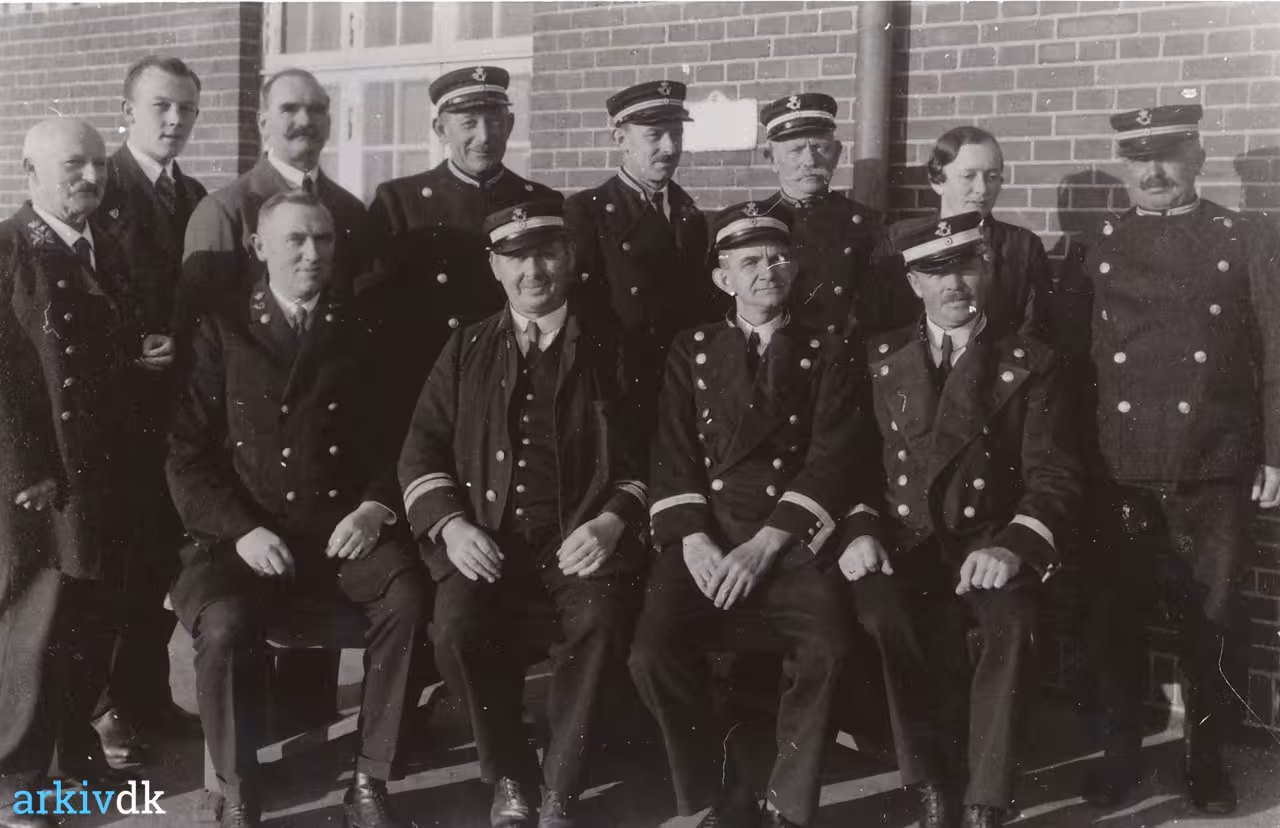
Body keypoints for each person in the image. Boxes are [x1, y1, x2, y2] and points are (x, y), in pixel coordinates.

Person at [166, 192, 427, 828]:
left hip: (341, 532)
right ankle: (237, 787)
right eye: (296, 240)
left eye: (324, 239)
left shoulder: (364, 327)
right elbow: (185, 454)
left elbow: (402, 438)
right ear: (260, 247)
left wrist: (374, 508)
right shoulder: (222, 327)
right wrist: (241, 530)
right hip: (244, 537)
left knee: (408, 597)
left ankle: (371, 777)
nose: (313, 254)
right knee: (222, 624)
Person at [397, 198, 646, 828]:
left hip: (580, 542)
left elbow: (651, 458)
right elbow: (421, 447)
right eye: (516, 258)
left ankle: (561, 785)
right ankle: (510, 770)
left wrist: (613, 520)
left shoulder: (613, 346)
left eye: (546, 254)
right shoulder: (465, 347)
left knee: (600, 621)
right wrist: (452, 526)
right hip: (489, 539)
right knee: (454, 630)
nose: (532, 271)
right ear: (494, 267)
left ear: (570, 257)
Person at [629, 202, 871, 828]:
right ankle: (713, 792)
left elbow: (832, 459)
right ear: (722, 278)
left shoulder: (829, 347)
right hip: (708, 538)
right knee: (651, 652)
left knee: (829, 647)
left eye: (779, 257)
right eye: (750, 262)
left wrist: (764, 547)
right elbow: (672, 452)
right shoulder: (691, 348)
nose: (769, 270)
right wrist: (693, 540)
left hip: (789, 540)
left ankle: (786, 804)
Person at [838, 211, 1081, 828]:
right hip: (902, 540)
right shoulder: (877, 358)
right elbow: (850, 465)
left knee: (1012, 621)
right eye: (934, 271)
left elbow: (1053, 474)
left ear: (987, 270)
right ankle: (928, 782)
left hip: (988, 540)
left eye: (966, 267)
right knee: (881, 615)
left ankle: (985, 800)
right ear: (913, 282)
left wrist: (1014, 546)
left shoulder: (1030, 361)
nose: (953, 285)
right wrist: (861, 529)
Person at [1079, 104, 1280, 815]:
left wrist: (1275, 452)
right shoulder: (1098, 243)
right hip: (1121, 462)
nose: (1154, 172)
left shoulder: (1242, 235)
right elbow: (1078, 360)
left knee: (1214, 619)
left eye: (1167, 156)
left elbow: (1274, 348)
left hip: (1214, 459)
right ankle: (1119, 755)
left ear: (1196, 158)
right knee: (1115, 617)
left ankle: (1206, 758)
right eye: (1139, 159)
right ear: (1125, 168)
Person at [0, 118, 151, 828]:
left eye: (97, 164)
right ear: (31, 174)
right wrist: (24, 467)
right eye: (72, 166)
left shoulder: (104, 248)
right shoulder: (8, 248)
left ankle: (74, 757)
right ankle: (16, 781)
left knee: (91, 621)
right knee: (34, 627)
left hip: (104, 473)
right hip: (42, 481)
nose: (91, 177)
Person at [91, 54, 208, 761]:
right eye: (161, 106)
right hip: (111, 413)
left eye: (186, 108)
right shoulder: (96, 186)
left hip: (175, 413)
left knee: (160, 558)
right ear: (128, 111)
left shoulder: (195, 196)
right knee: (112, 564)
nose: (175, 120)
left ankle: (148, 694)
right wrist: (125, 350)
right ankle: (105, 706)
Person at [365, 66, 559, 429]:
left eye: (495, 121)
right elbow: (375, 312)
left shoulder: (539, 202)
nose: (484, 137)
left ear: (510, 125)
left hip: (514, 382)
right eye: (469, 123)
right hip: (426, 385)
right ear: (441, 129)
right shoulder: (400, 202)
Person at [564, 80, 714, 442]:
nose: (670, 147)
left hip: (681, 387)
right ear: (621, 139)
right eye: (654, 135)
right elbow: (580, 315)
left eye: (676, 134)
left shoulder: (691, 215)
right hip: (619, 390)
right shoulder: (586, 213)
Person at [177, 67, 367, 340]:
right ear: (264, 123)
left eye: (316, 110)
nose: (305, 120)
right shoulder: (225, 210)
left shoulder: (351, 210)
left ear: (329, 122)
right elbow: (199, 328)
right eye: (289, 109)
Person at [879, 127, 1054, 342]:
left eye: (992, 176)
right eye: (968, 176)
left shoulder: (1023, 246)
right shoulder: (898, 240)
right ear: (937, 181)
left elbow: (1034, 332)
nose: (982, 188)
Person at [754, 92, 893, 337]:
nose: (809, 160)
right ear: (771, 159)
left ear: (837, 153)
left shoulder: (868, 225)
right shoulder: (752, 224)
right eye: (796, 150)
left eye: (820, 147)